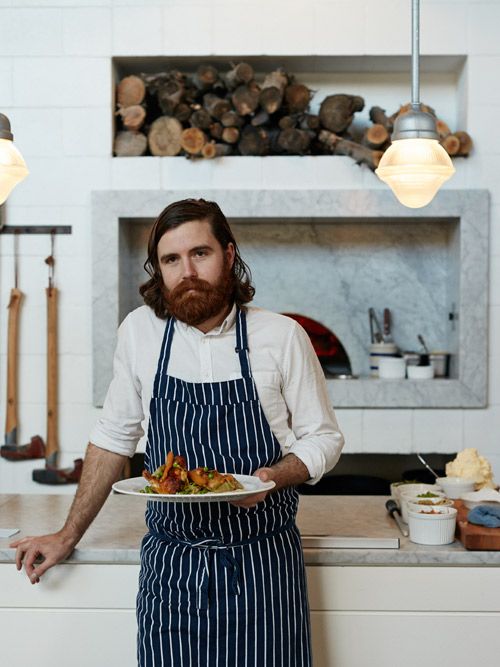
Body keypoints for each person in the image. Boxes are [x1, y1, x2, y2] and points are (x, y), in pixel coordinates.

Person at [12, 198, 344, 666]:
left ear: (229, 255)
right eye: (171, 259)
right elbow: (112, 439)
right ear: (159, 269)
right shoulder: (139, 333)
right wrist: (68, 534)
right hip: (172, 568)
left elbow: (324, 438)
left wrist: (273, 476)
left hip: (263, 565)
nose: (186, 271)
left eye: (200, 254)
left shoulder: (281, 335)